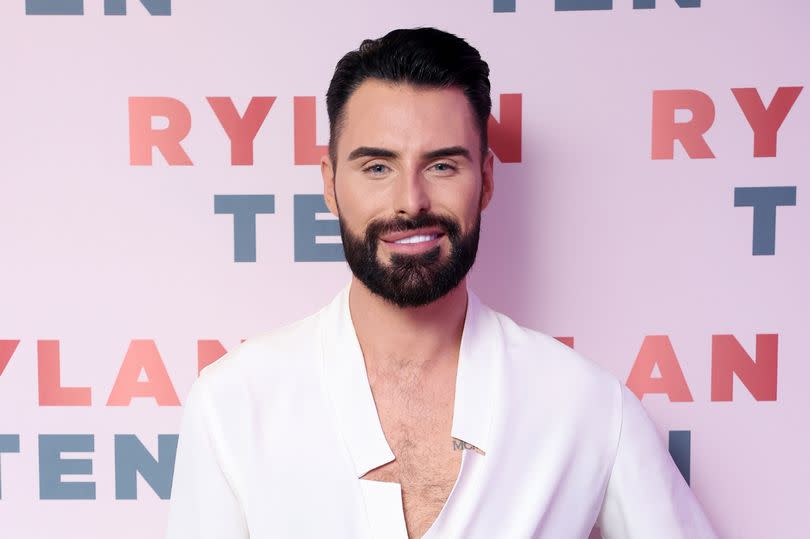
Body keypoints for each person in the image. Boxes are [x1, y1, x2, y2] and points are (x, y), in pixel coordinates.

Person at [165, 27, 717, 539]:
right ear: (331, 185)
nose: (411, 201)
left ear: (487, 181)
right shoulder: (234, 401)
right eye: (377, 167)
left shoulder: (586, 406)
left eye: (443, 166)